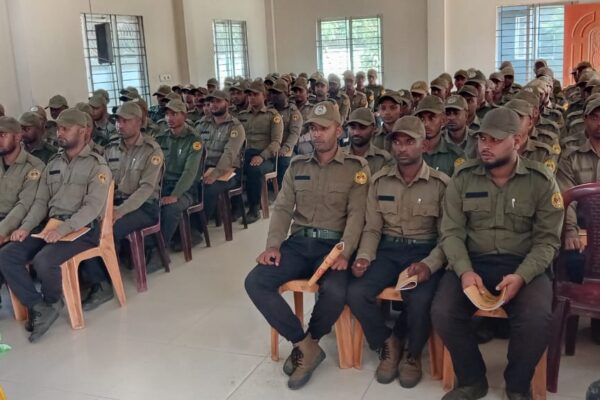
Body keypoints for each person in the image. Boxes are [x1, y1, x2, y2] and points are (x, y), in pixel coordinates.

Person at [432, 107, 564, 400]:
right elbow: (451, 233)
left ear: (517, 140)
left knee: (536, 318)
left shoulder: (541, 181)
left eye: (495, 139)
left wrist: (522, 276)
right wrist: (465, 271)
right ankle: (471, 380)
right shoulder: (463, 177)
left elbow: (547, 242)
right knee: (443, 311)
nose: (485, 146)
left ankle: (517, 385)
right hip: (473, 262)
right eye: (482, 138)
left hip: (523, 265)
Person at [245, 101, 369, 390]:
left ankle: (310, 341)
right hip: (299, 244)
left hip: (333, 247)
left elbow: (357, 215)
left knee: (336, 290)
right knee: (256, 281)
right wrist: (273, 245)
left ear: (338, 130)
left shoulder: (355, 168)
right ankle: (304, 345)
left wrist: (346, 250)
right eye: (313, 128)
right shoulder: (297, 165)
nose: (316, 134)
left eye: (323, 128)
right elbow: (282, 208)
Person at [347, 115, 448, 388]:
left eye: (409, 142)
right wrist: (364, 256)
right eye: (397, 142)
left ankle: (413, 354)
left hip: (424, 251)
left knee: (420, 299)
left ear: (424, 145)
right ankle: (387, 343)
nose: (402, 148)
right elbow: (372, 228)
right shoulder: (380, 181)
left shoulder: (440, 184)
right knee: (356, 291)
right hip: (388, 249)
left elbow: (447, 237)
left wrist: (429, 265)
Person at [0, 108, 111, 342]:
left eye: (66, 129)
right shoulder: (53, 164)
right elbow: (40, 202)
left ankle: (51, 300)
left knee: (44, 261)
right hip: (50, 226)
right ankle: (39, 306)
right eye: (59, 128)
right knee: (7, 255)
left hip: (82, 229)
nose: (59, 133)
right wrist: (26, 227)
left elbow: (92, 208)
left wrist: (63, 229)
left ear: (83, 131)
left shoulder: (97, 166)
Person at [80, 102, 163, 309]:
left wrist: (119, 211)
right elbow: (102, 181)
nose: (120, 125)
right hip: (114, 203)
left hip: (144, 207)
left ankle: (103, 284)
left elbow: (146, 190)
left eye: (125, 120)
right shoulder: (111, 149)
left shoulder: (151, 150)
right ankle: (94, 274)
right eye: (118, 120)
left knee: (104, 230)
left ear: (139, 122)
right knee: (84, 224)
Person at [556, 95, 600, 343]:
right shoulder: (571, 157)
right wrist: (571, 230)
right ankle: (578, 308)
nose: (599, 123)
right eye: (594, 117)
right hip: (582, 232)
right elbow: (567, 198)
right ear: (585, 120)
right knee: (574, 260)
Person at [154, 99, 203, 247]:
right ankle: (148, 246)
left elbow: (190, 172)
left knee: (171, 209)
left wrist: (175, 194)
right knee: (146, 205)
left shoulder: (194, 139)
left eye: (174, 114)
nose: (169, 118)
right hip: (163, 185)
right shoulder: (161, 138)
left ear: (184, 115)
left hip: (186, 189)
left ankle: (160, 250)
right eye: (167, 114)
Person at [237, 81, 283, 223]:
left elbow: (276, 142)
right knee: (233, 170)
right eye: (249, 95)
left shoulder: (272, 115)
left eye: (255, 94)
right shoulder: (243, 115)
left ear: (264, 96)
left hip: (265, 156)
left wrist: (262, 156)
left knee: (254, 170)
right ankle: (236, 207)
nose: (251, 98)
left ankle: (254, 209)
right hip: (245, 154)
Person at [201, 90, 246, 221]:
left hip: (228, 170)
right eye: (211, 102)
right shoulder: (203, 124)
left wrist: (215, 174)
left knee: (209, 188)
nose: (213, 105)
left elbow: (229, 155)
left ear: (227, 103)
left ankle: (200, 226)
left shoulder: (235, 127)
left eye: (218, 101)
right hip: (205, 167)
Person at [415, 95, 464, 176]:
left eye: (432, 118)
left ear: (443, 120)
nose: (426, 124)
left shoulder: (455, 155)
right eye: (422, 119)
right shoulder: (411, 152)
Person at [268, 79, 303, 186]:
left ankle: (282, 188)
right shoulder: (268, 110)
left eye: (278, 93)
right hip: (270, 146)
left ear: (286, 93)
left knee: (283, 162)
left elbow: (294, 134)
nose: (274, 96)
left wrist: (285, 148)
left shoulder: (293, 112)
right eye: (273, 93)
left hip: (286, 147)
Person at [343, 107, 391, 174]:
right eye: (352, 127)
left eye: (362, 127)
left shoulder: (383, 160)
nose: (356, 132)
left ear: (373, 129)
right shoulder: (338, 156)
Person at [444, 95, 477, 159]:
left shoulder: (476, 140)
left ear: (466, 115)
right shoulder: (439, 140)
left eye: (456, 113)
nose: (451, 118)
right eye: (448, 114)